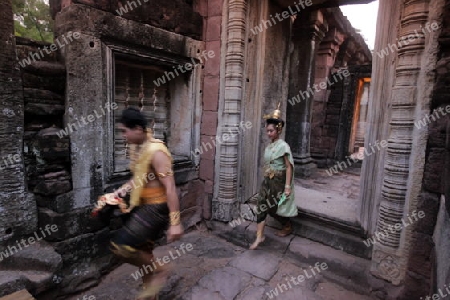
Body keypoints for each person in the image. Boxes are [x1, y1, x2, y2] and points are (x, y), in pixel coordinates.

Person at [96, 107, 183, 300]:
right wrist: (120, 191)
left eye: (124, 131)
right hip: (142, 205)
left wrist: (175, 223)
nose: (123, 135)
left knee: (120, 246)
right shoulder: (140, 148)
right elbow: (140, 178)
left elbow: (171, 187)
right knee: (144, 253)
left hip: (157, 207)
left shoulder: (157, 151)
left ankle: (161, 270)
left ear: (137, 128)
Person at [249, 105, 298, 250]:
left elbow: (289, 167)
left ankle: (287, 225)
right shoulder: (269, 146)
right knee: (261, 204)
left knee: (274, 206)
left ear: (278, 130)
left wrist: (287, 187)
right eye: (267, 131)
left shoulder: (283, 146)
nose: (268, 133)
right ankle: (259, 236)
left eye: (271, 131)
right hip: (268, 180)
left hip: (279, 181)